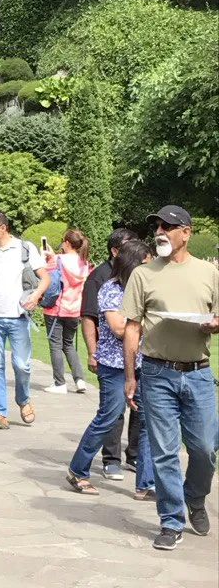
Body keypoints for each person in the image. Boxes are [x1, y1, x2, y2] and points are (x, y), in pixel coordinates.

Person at [123, 205, 219, 550]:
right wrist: (130, 376)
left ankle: (195, 496)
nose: (160, 232)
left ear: (186, 232)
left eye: (167, 226)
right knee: (164, 452)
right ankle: (171, 521)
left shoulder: (209, 273)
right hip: (156, 373)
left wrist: (214, 324)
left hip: (198, 373)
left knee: (205, 449)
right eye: (157, 227)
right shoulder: (143, 274)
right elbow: (132, 327)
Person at [66, 240, 155, 498]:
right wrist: (153, 323)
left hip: (143, 363)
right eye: (145, 265)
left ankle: (146, 483)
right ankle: (78, 470)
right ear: (132, 265)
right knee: (109, 417)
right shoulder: (111, 289)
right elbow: (118, 328)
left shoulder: (144, 290)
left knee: (149, 421)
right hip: (114, 365)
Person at [0, 209, 50, 431]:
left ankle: (23, 398)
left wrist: (36, 295)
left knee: (21, 365)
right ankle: (0, 414)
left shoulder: (25, 248)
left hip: (18, 316)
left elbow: (45, 278)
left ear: (3, 227)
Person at [80, 227, 142, 480]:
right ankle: (110, 459)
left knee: (141, 413)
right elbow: (89, 317)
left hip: (140, 359)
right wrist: (92, 352)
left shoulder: (139, 282)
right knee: (112, 413)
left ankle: (136, 458)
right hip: (112, 359)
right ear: (116, 251)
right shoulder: (101, 279)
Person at [42, 227, 90, 394]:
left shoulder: (58, 260)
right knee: (68, 345)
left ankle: (59, 383)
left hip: (56, 309)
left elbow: (44, 276)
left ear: (68, 243)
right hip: (75, 310)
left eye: (63, 241)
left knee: (55, 345)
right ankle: (80, 380)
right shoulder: (84, 262)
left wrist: (47, 257)